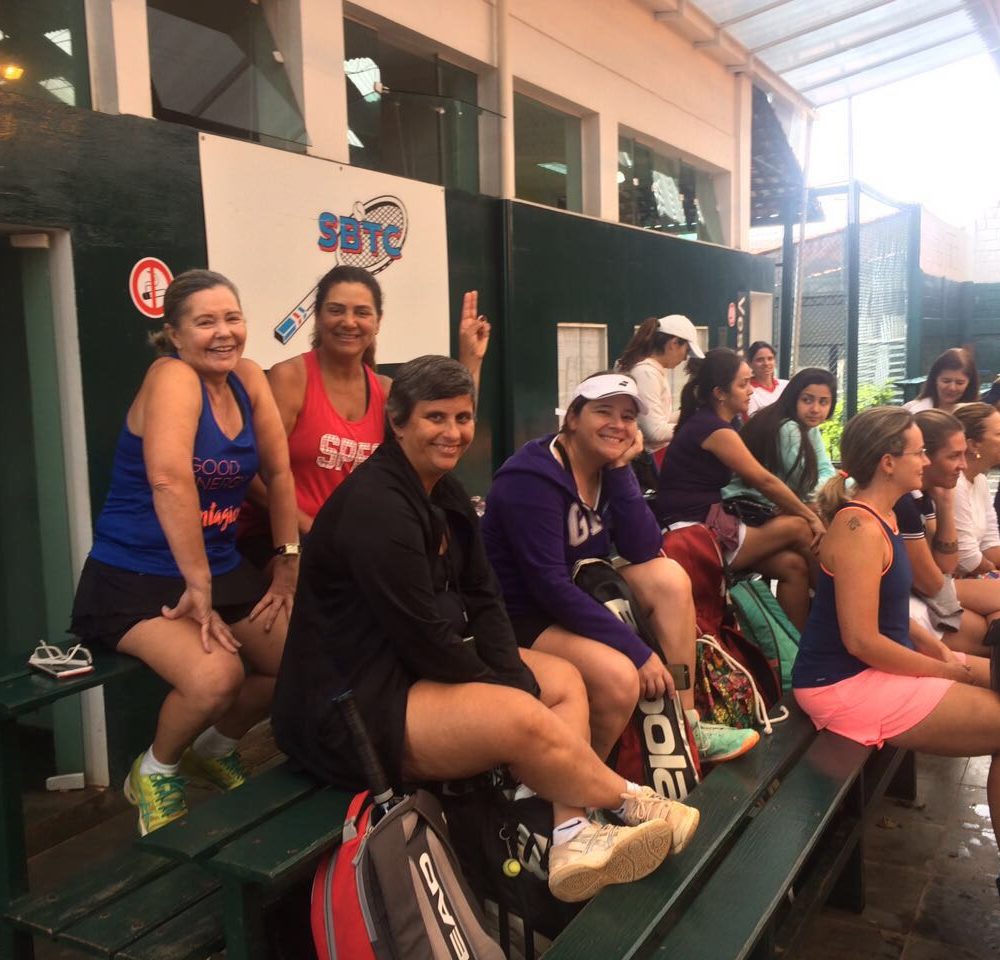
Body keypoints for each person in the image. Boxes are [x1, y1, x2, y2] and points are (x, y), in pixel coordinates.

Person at [272, 356, 700, 905]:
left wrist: (512, 674)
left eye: (463, 418)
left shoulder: (444, 492)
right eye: (435, 418)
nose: (452, 433)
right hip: (352, 705)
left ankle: (570, 833)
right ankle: (634, 802)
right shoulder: (377, 508)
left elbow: (484, 596)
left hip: (411, 668)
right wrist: (507, 689)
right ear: (397, 421)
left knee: (562, 682)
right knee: (521, 714)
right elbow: (425, 640)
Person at [70, 270, 299, 835]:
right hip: (135, 575)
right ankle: (156, 769)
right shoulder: (171, 376)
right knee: (216, 677)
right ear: (174, 334)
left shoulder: (248, 377)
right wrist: (198, 587)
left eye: (232, 318)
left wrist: (287, 561)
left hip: (218, 567)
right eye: (205, 322)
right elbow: (169, 480)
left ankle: (213, 749)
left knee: (304, 658)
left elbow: (278, 472)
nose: (223, 332)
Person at [481, 371, 758, 764]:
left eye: (628, 417)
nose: (617, 424)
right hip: (523, 615)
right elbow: (549, 586)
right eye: (603, 411)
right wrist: (637, 652)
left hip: (580, 591)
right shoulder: (530, 479)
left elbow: (644, 547)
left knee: (669, 578)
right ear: (572, 418)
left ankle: (686, 724)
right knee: (621, 677)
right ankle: (579, 781)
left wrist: (620, 470)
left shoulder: (606, 467)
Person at [792, 405, 1000, 901]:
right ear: (888, 462)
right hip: (842, 685)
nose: (926, 461)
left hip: (873, 668)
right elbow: (861, 641)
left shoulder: (885, 515)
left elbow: (891, 613)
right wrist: (945, 672)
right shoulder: (859, 529)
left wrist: (937, 649)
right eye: (919, 452)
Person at [239, 265, 489, 563]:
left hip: (355, 546)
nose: (349, 322)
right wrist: (312, 530)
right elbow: (251, 476)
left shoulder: (385, 391)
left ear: (377, 322)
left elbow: (445, 429)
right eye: (336, 310)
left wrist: (471, 361)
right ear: (318, 317)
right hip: (286, 544)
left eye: (361, 312)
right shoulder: (291, 378)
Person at [656, 349, 826, 629]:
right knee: (801, 526)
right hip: (695, 534)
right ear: (720, 393)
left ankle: (799, 647)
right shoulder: (715, 430)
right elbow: (764, 480)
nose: (751, 390)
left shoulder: (719, 423)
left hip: (707, 521)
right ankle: (837, 618)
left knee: (792, 566)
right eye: (743, 384)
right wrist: (811, 517)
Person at [896, 410, 989, 656]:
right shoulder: (903, 501)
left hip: (926, 595)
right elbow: (931, 583)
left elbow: (946, 565)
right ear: (925, 456)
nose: (964, 465)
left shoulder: (925, 496)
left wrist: (946, 503)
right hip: (910, 607)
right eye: (954, 456)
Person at [723, 367, 837, 507]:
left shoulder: (809, 426)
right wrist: (839, 484)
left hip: (775, 503)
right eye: (807, 400)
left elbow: (825, 468)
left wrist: (836, 484)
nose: (815, 409)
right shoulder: (787, 428)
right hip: (748, 505)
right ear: (793, 398)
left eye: (823, 402)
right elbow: (807, 487)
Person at [615, 314, 704, 468]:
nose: (685, 358)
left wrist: (692, 411)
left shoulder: (651, 371)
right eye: (687, 350)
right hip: (646, 460)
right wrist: (697, 427)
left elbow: (660, 419)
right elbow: (655, 432)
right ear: (673, 343)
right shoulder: (646, 373)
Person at [952, 402, 1000, 577]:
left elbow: (990, 543)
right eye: (999, 434)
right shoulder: (955, 483)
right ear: (973, 445)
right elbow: (967, 558)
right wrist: (993, 572)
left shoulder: (980, 480)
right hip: (953, 580)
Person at [903, 347, 979, 414]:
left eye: (959, 383)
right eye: (946, 381)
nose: (952, 388)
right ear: (935, 379)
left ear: (970, 383)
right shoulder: (911, 411)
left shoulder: (979, 417)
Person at [746, 341, 787, 417]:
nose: (766, 363)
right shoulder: (748, 391)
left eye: (770, 358)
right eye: (760, 360)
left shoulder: (786, 385)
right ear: (750, 363)